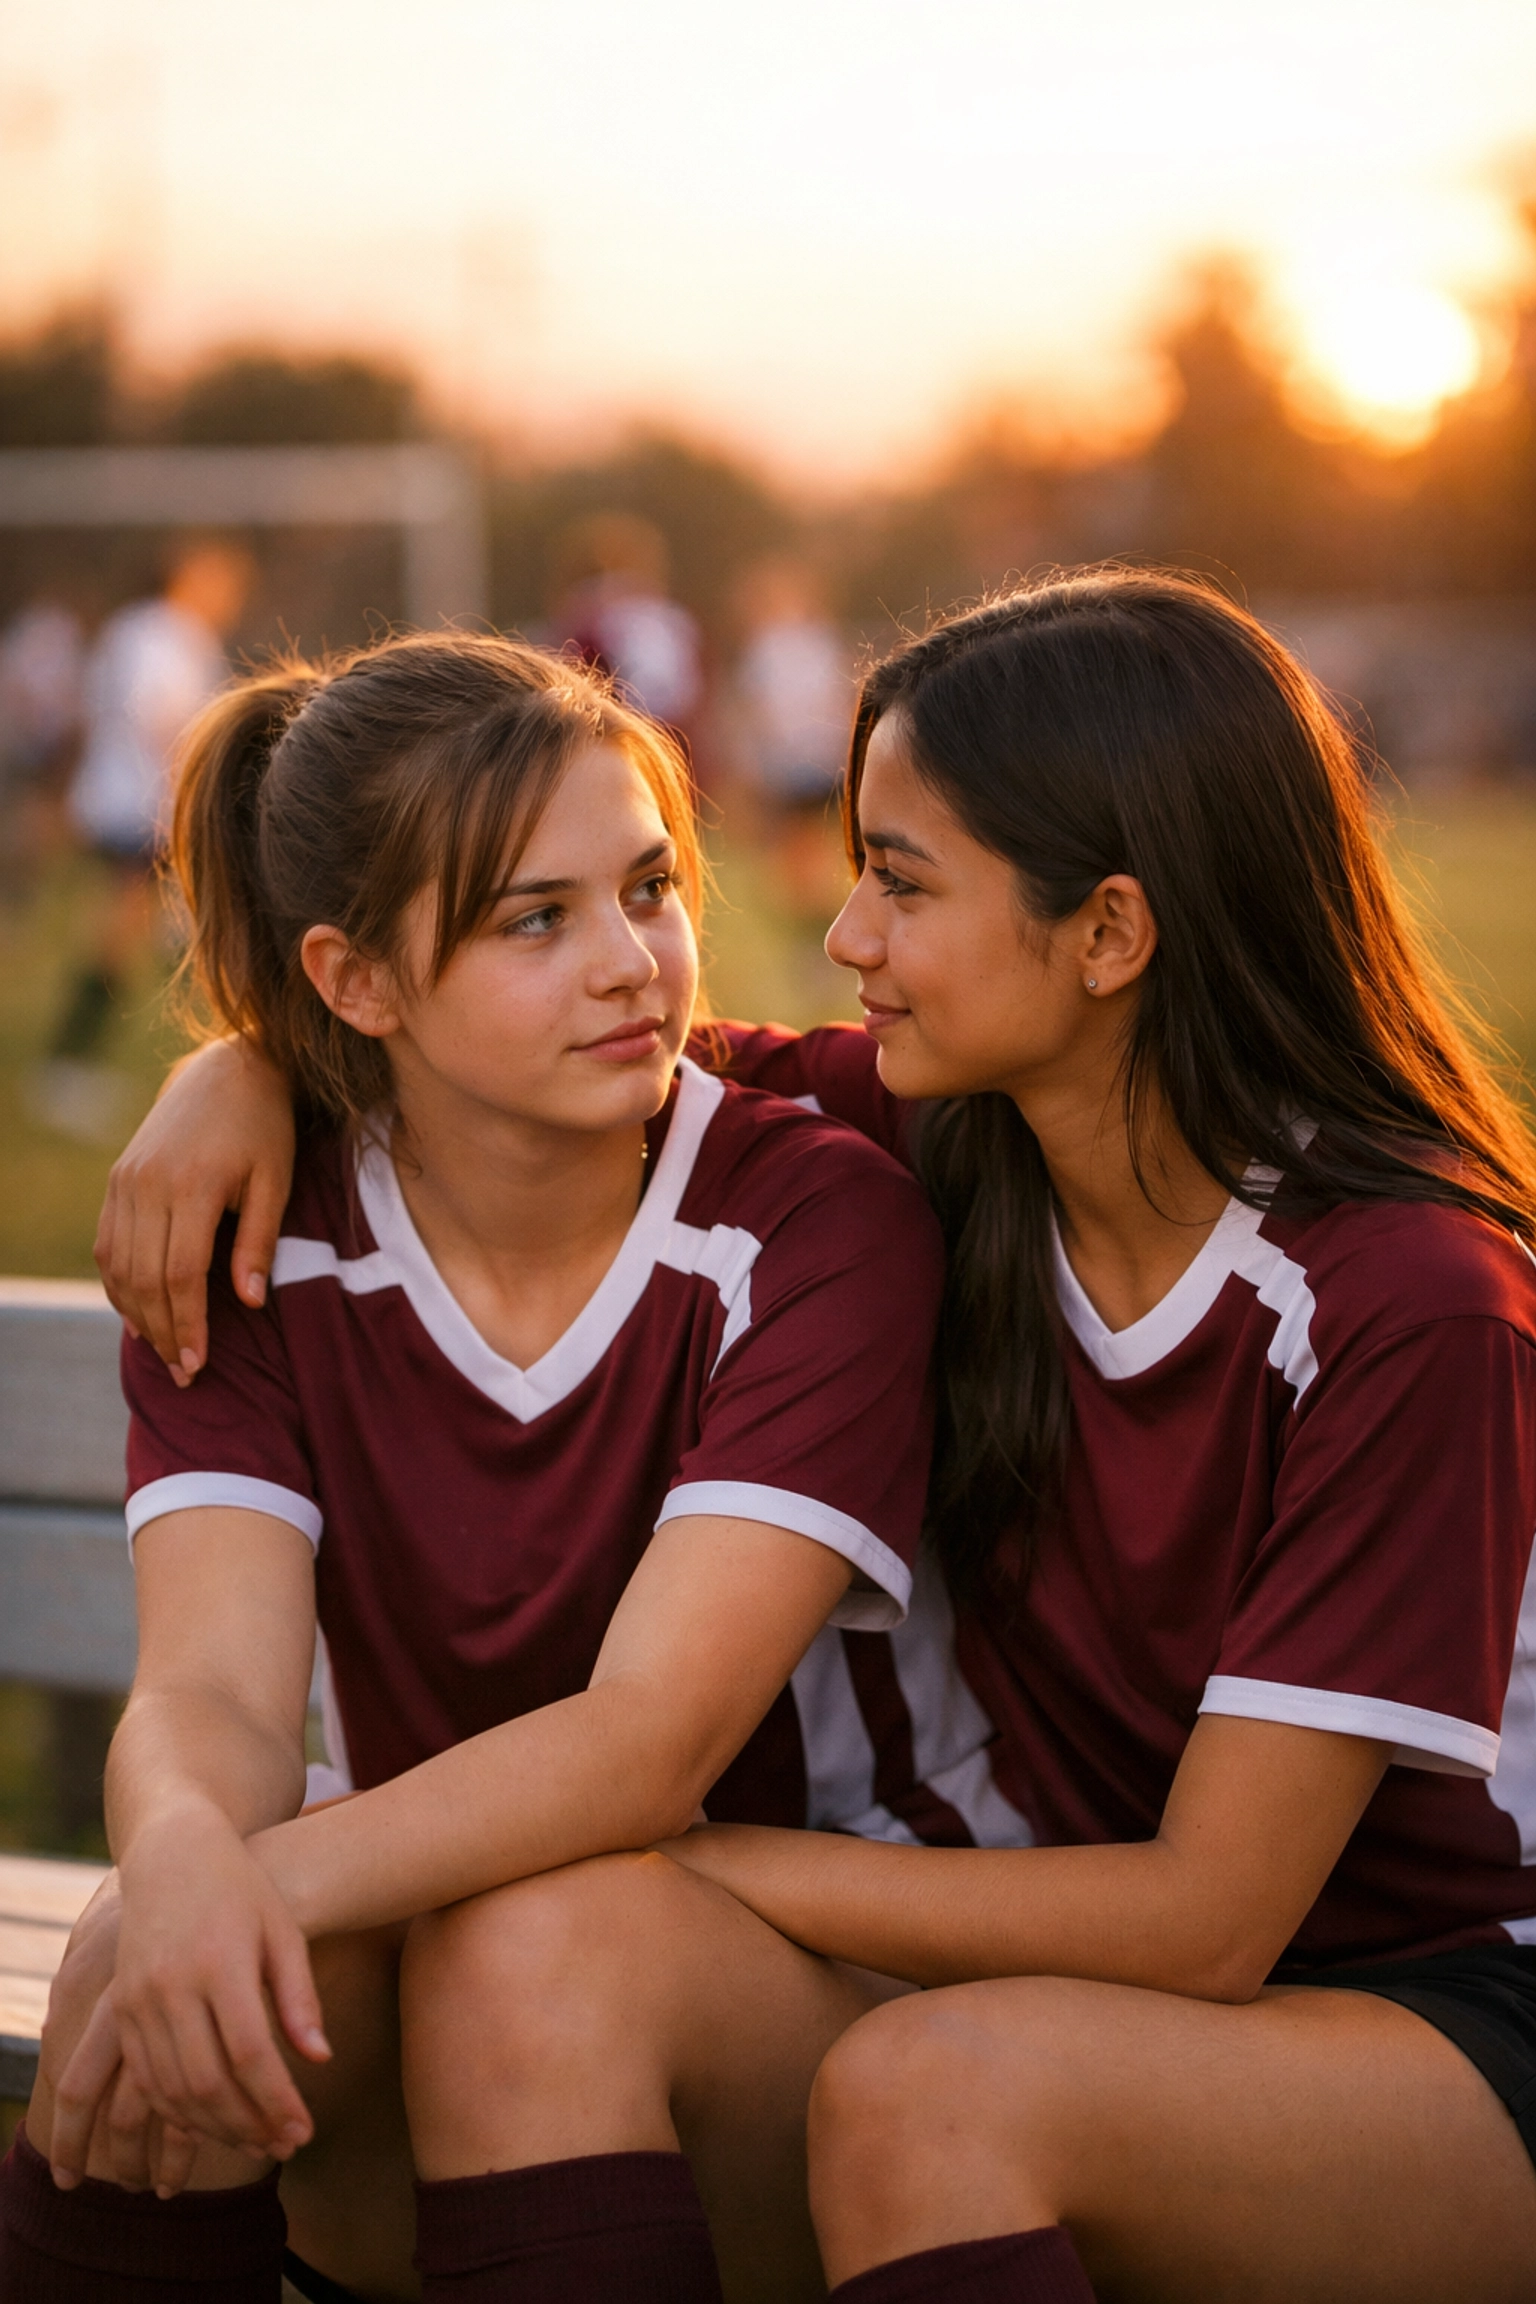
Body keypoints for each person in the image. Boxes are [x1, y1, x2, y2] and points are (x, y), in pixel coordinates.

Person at [95, 573, 1536, 2301]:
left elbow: (1212, 1914)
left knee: (926, 2097)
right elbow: (511, 1058)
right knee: (361, 1964)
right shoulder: (957, 1122)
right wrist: (244, 1069)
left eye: (899, 881)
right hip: (1054, 1968)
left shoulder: (1405, 1296)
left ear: (1108, 934)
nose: (844, 933)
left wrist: (665, 1844)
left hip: (1421, 2002)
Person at [0, 630, 1026, 2304]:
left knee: (493, 1953)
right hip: (458, 1933)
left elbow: (645, 1749)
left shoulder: (805, 1213)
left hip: (832, 1983)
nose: (631, 960)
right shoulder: (253, 1235)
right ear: (355, 981)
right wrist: (183, 1854)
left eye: (646, 887)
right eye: (535, 919)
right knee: (149, 1957)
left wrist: (221, 1888)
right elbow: (216, 1695)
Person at [32, 538, 253, 1145]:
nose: (229, 594)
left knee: (176, 934)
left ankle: (214, 1069)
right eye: (220, 579)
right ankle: (66, 1069)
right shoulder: (159, 633)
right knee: (121, 938)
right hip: (138, 811)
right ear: (186, 573)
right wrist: (201, 799)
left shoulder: (160, 632)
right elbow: (164, 724)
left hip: (144, 807)